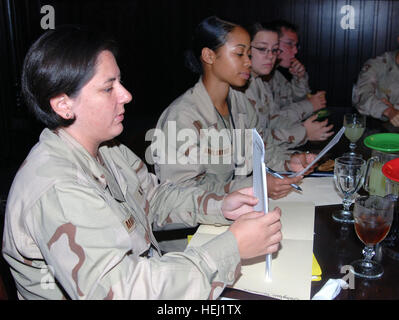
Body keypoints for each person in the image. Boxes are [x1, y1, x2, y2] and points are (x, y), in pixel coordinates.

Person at [1, 26, 283, 300]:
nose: (126, 95)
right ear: (63, 105)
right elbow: (122, 291)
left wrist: (219, 205)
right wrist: (232, 247)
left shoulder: (108, 149)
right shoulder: (58, 188)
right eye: (108, 88)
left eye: (119, 83)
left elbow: (154, 199)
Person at [150, 16, 314, 201]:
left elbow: (258, 150)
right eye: (239, 54)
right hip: (197, 224)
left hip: (238, 209)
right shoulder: (182, 117)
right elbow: (179, 196)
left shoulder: (239, 102)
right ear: (209, 56)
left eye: (249, 55)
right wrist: (254, 187)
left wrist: (290, 161)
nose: (248, 63)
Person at [245, 22, 334, 148]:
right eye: (262, 48)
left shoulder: (266, 78)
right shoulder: (247, 82)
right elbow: (254, 142)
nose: (270, 55)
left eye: (274, 49)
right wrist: (304, 131)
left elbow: (279, 113)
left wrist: (300, 79)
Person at [268, 19, 332, 137]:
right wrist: (310, 104)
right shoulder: (257, 78)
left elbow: (294, 102)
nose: (295, 51)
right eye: (289, 44)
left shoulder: (277, 75)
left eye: (296, 45)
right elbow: (272, 123)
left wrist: (300, 78)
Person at [352, 39, 399, 127]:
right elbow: (362, 96)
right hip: (374, 129)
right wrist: (388, 111)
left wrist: (394, 108)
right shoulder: (378, 64)